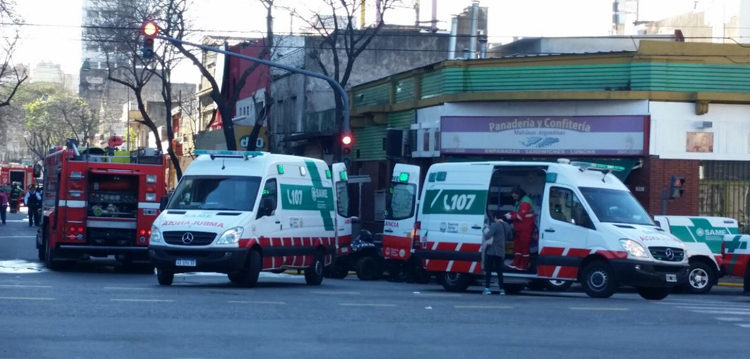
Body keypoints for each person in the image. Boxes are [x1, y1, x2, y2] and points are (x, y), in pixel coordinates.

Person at [482, 211, 513, 295]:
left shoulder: (494, 225)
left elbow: (488, 235)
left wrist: (484, 229)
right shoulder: (507, 226)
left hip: (492, 251)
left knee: (489, 270)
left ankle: (487, 288)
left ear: (495, 217)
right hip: (501, 251)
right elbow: (510, 237)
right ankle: (502, 289)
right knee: (500, 271)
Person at [506, 186, 535, 270]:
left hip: (525, 229)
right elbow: (516, 212)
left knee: (524, 248)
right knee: (517, 247)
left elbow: (520, 216)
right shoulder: (520, 200)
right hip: (519, 228)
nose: (513, 197)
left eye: (514, 196)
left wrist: (510, 217)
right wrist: (510, 214)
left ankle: (523, 265)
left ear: (519, 194)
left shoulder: (525, 202)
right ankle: (516, 263)